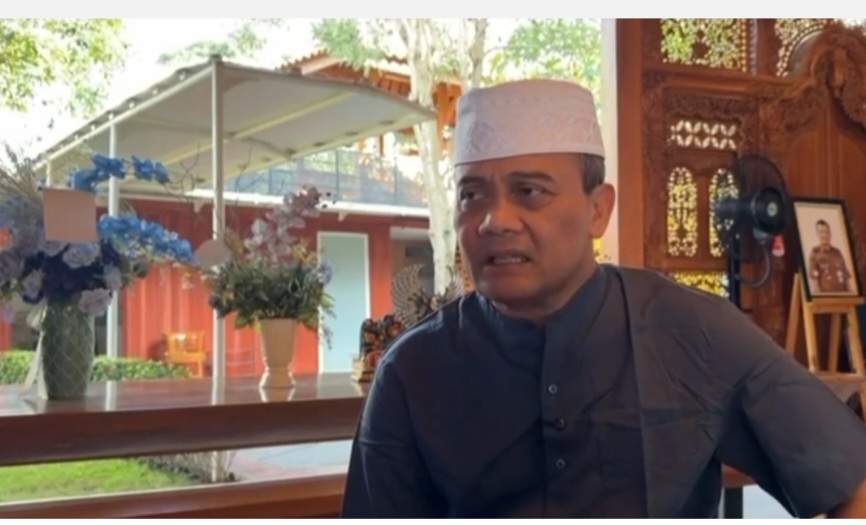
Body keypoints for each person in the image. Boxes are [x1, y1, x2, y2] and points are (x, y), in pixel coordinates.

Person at [340, 79, 866, 518]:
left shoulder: (695, 330)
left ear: (598, 210)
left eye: (529, 192)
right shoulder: (412, 371)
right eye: (472, 195)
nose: (493, 220)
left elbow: (853, 480)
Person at [809, 219, 855, 293]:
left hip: (844, 296)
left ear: (830, 234)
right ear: (817, 234)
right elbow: (814, 281)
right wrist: (818, 298)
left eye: (826, 232)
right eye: (821, 232)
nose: (824, 235)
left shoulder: (837, 252)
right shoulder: (815, 253)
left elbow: (846, 277)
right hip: (828, 298)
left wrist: (852, 294)